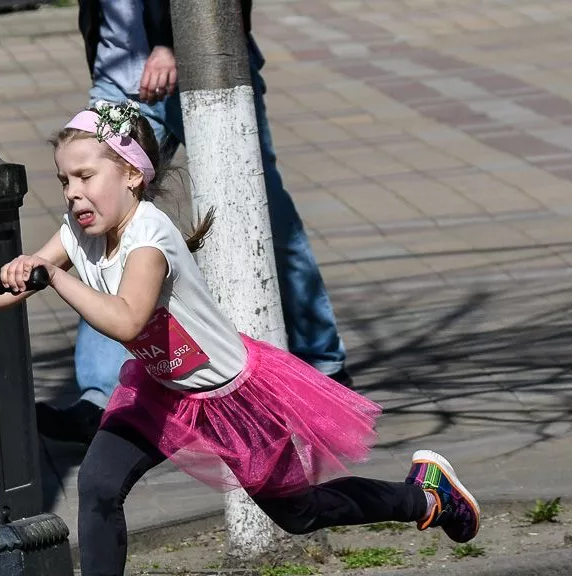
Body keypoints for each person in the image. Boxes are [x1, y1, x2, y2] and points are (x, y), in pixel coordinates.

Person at [0, 102, 481, 576]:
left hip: (231, 399)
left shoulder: (150, 238)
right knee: (98, 483)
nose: (72, 193)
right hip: (161, 392)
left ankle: (422, 497)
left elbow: (125, 319)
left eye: (87, 176)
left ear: (132, 174)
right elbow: (11, 291)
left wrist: (52, 275)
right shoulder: (78, 232)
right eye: (65, 180)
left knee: (299, 514)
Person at [37, 0, 348, 445]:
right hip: (118, 83)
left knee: (268, 220)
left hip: (202, 66)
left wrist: (171, 44)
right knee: (98, 231)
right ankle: (99, 397)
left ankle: (324, 364)